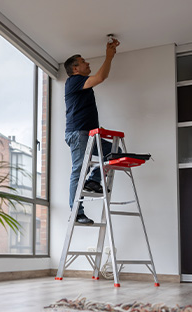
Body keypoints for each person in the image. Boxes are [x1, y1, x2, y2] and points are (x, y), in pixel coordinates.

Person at [64, 38, 120, 225]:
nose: (87, 63)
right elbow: (101, 77)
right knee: (78, 171)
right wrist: (109, 56)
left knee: (115, 152)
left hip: (89, 134)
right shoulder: (74, 81)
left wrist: (96, 129)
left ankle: (94, 179)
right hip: (79, 134)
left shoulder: (80, 83)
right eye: (83, 62)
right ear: (75, 69)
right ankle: (76, 213)